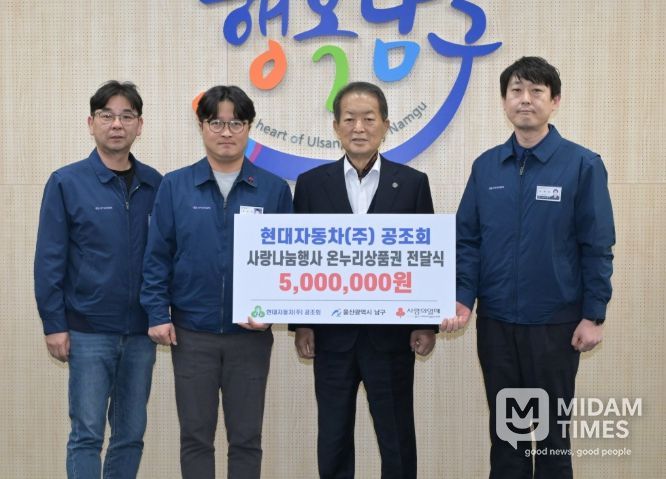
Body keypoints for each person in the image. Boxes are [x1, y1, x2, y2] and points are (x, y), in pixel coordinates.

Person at [452, 57, 615, 478]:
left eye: (536, 91)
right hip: (497, 325)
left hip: (555, 326)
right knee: (507, 437)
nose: (525, 99)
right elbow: (467, 240)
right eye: (516, 91)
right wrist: (462, 298)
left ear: (555, 101)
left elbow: (597, 246)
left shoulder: (582, 165)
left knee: (552, 439)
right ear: (504, 101)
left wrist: (594, 315)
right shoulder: (486, 167)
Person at [140, 85, 293, 479]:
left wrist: (273, 311)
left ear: (249, 127)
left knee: (246, 439)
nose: (226, 132)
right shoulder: (175, 186)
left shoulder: (274, 189)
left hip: (250, 337)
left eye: (236, 123)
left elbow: (287, 264)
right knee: (195, 438)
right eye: (216, 123)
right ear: (202, 126)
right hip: (192, 334)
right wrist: (157, 314)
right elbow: (157, 257)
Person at [291, 81, 437, 479]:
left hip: (391, 336)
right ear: (336, 127)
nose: (359, 127)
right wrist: (302, 323)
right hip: (330, 337)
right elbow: (299, 258)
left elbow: (425, 259)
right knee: (333, 436)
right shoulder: (311, 184)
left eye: (369, 119)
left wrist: (425, 322)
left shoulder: (413, 183)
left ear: (385, 126)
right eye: (349, 119)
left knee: (396, 437)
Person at [34, 81, 162, 478]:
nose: (116, 124)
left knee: (130, 434)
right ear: (91, 123)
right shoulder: (66, 182)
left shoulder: (155, 184)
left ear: (140, 125)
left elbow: (165, 257)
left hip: (141, 332)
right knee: (87, 434)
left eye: (126, 116)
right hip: (87, 330)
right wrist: (54, 324)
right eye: (107, 116)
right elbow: (49, 259)